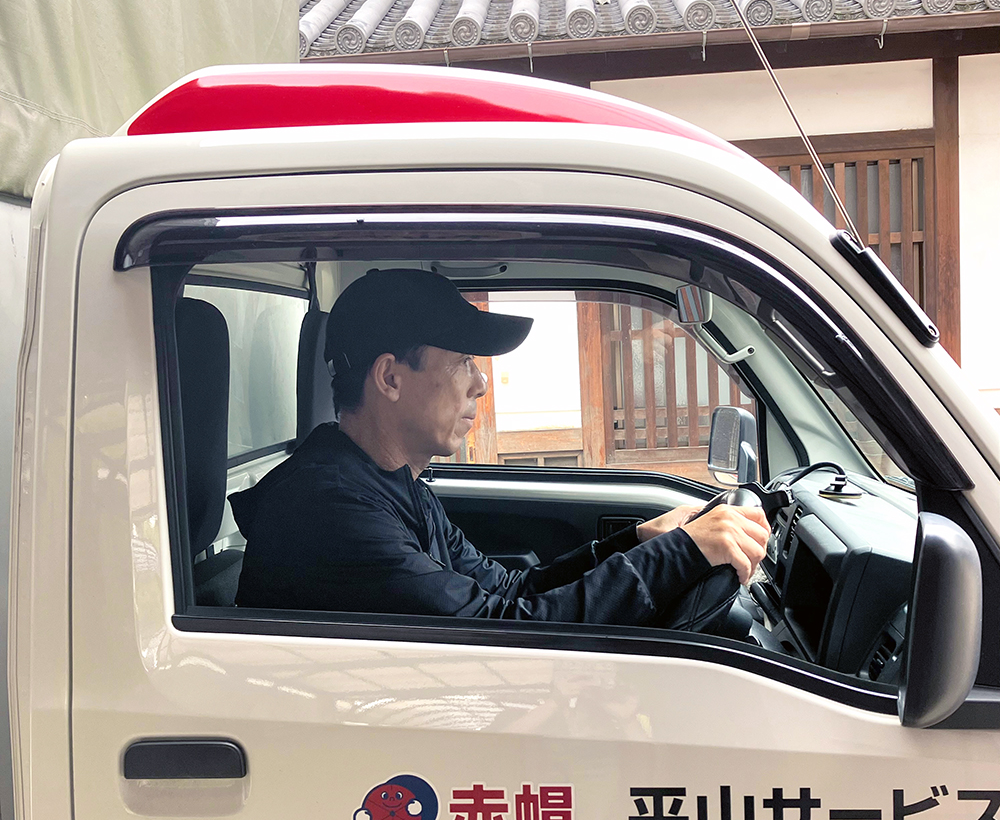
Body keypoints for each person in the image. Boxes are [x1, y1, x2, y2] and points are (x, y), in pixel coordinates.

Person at [230, 269, 770, 629]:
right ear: (390, 378)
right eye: (462, 362)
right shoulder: (331, 511)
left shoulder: (392, 484)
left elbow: (510, 589)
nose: (481, 384)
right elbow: (505, 630)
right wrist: (681, 555)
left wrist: (639, 540)